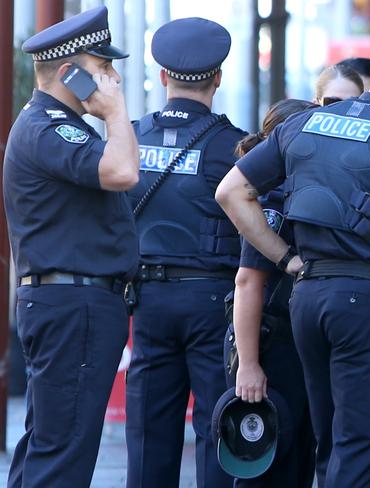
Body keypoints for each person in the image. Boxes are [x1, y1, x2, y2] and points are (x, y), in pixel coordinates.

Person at [216, 39, 370, 487]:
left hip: (308, 298)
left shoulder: (304, 124)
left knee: (331, 444)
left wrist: (286, 258)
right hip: (368, 307)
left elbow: (231, 193)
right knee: (363, 447)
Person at [3, 6, 139, 487]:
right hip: (72, 307)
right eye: (102, 69)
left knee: (50, 443)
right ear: (68, 73)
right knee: (63, 453)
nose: (112, 80)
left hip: (68, 305)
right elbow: (123, 171)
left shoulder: (55, 126)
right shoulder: (49, 128)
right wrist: (117, 112)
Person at [124, 18, 246, 488]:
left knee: (148, 431)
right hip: (213, 303)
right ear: (218, 77)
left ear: (162, 77)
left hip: (147, 302)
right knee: (217, 427)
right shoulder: (231, 146)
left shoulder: (130, 140)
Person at [223, 98, 317, 487]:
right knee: (265, 462)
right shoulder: (272, 201)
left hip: (295, 344)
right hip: (268, 345)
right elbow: (247, 282)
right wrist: (248, 364)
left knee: (296, 462)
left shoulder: (297, 192)